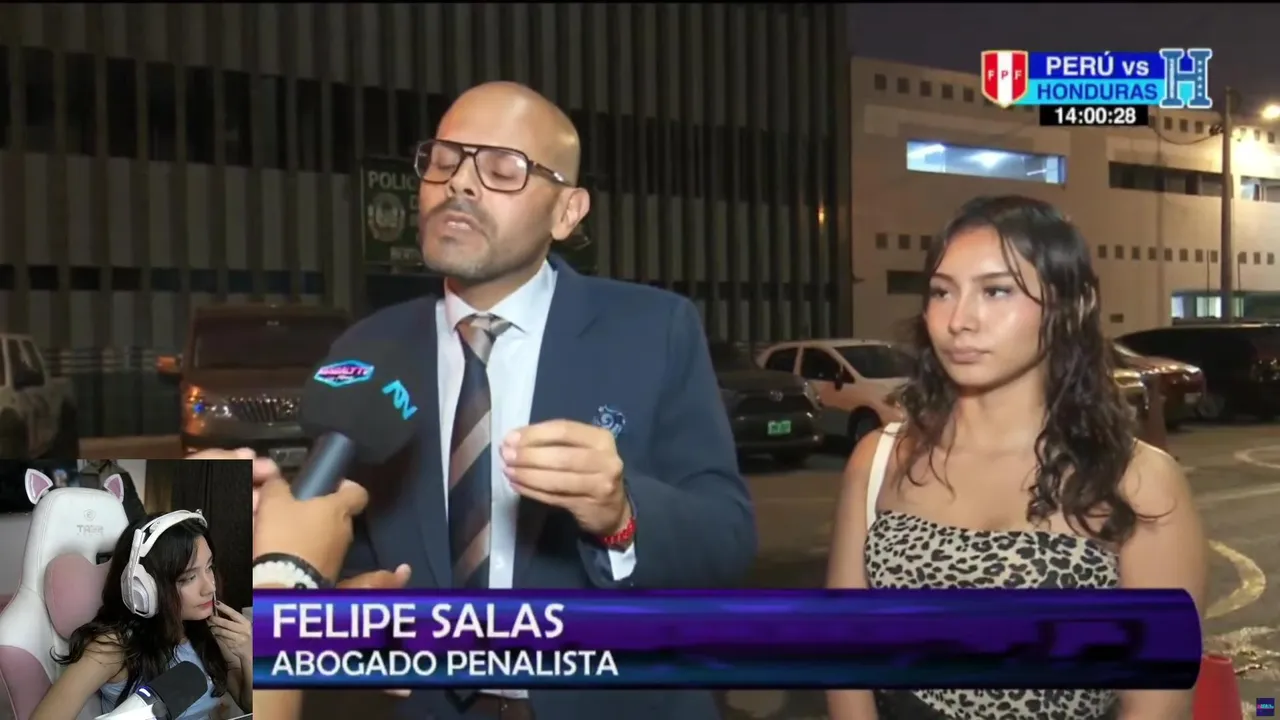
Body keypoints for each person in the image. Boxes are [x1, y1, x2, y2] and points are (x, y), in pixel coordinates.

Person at [324, 80, 755, 720]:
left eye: (502, 169)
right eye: (443, 161)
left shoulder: (655, 330)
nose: (459, 184)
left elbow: (727, 541)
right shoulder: (365, 350)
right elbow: (348, 531)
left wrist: (620, 514)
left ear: (567, 212)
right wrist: (347, 605)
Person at [826, 196, 1207, 720]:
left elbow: (1158, 705)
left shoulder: (1137, 482)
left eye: (996, 290)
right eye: (942, 291)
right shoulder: (879, 460)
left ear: (1070, 306)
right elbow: (843, 655)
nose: (959, 320)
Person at [31, 510, 253, 720]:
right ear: (145, 588)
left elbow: (250, 706)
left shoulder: (209, 630)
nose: (210, 587)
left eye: (209, 567)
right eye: (188, 578)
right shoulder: (113, 648)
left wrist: (249, 654)